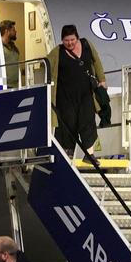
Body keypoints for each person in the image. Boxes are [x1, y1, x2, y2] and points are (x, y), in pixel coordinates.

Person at [46, 25, 107, 163]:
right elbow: (44, 64)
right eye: (66, 40)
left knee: (88, 121)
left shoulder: (86, 45)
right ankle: (67, 155)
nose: (70, 43)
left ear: (77, 37)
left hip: (85, 94)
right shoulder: (57, 52)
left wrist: (102, 80)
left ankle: (89, 155)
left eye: (72, 39)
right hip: (65, 97)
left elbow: (97, 62)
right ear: (62, 40)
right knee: (68, 123)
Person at [0, 20, 22, 88]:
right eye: (13, 30)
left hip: (15, 85)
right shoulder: (0, 47)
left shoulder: (14, 47)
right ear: (7, 31)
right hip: (5, 86)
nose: (16, 32)